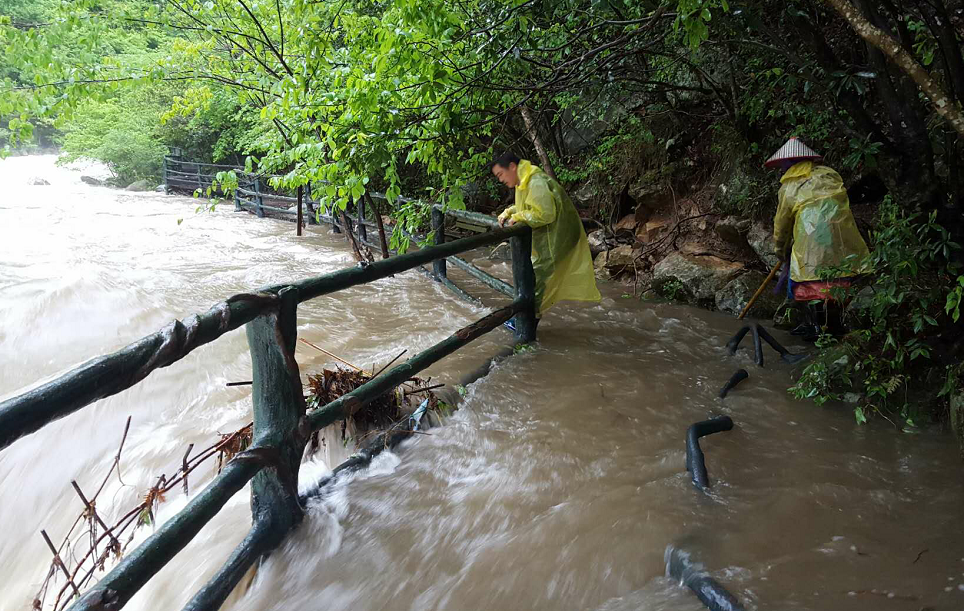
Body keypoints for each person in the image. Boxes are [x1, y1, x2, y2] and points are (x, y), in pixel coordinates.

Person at [765, 137, 871, 339]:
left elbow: (782, 225)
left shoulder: (789, 188)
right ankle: (833, 326)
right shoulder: (830, 176)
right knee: (837, 276)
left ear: (789, 164)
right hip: (843, 236)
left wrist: (781, 251)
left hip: (810, 238)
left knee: (808, 278)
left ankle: (816, 328)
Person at [492, 152, 600, 328]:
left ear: (512, 167)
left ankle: (527, 324)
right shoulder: (526, 181)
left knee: (538, 278)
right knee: (536, 277)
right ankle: (526, 321)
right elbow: (530, 205)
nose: (500, 179)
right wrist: (510, 211)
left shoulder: (535, 181)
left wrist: (519, 215)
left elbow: (545, 213)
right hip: (553, 238)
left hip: (558, 238)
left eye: (500, 174)